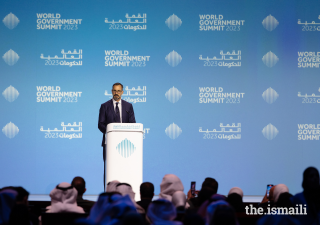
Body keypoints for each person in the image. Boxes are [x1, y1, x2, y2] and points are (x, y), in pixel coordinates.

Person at [98, 82, 136, 190]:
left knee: (124, 168)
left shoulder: (129, 106)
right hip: (109, 143)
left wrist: (121, 134)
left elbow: (133, 124)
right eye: (114, 90)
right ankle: (108, 192)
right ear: (111, 91)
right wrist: (112, 133)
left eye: (119, 91)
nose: (116, 93)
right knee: (110, 169)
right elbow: (100, 124)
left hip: (125, 145)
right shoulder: (104, 106)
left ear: (122, 92)